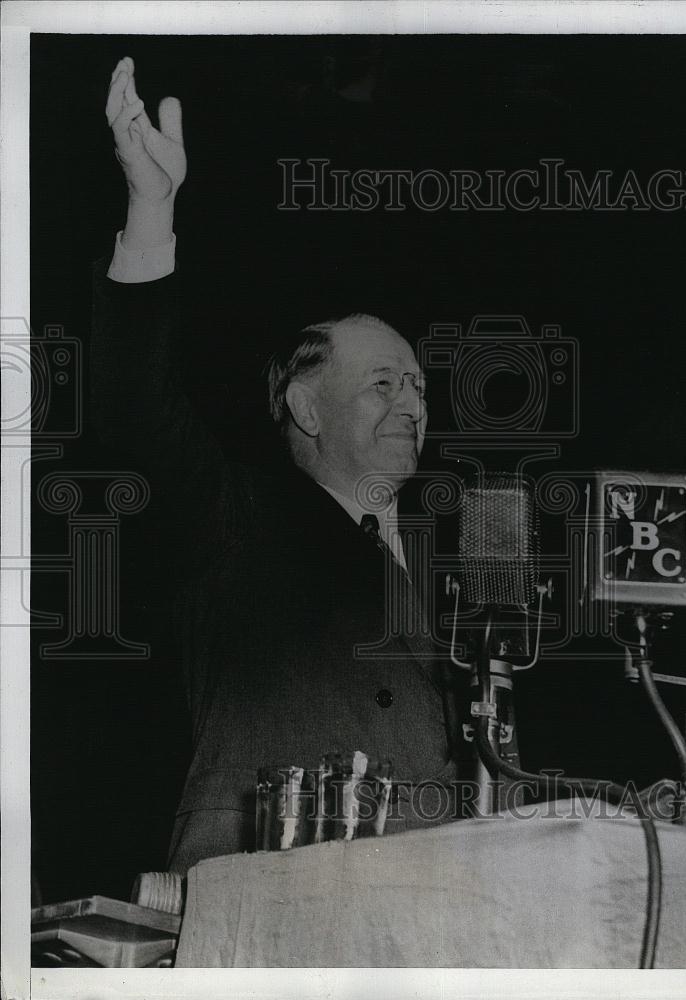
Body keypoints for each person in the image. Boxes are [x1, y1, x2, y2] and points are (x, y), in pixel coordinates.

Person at [93, 57, 463, 874]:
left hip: (426, 904)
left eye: (418, 385)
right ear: (305, 407)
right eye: (382, 383)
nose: (412, 402)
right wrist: (151, 209)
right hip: (260, 882)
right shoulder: (233, 517)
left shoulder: (456, 556)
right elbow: (133, 406)